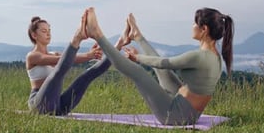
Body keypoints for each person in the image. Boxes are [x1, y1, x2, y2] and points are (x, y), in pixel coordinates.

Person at [84, 7, 234, 125]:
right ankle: (137, 36)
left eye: (195, 23)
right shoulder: (215, 56)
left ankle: (97, 34)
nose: (192, 26)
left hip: (174, 116)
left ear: (204, 29)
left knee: (138, 72)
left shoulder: (199, 56)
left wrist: (137, 58)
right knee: (164, 72)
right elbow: (163, 66)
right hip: (188, 113)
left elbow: (165, 63)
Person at [26, 11, 129, 115]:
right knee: (58, 72)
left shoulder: (54, 53)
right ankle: (77, 36)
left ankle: (119, 43)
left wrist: (90, 55)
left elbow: (71, 58)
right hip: (38, 105)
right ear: (34, 35)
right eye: (44, 31)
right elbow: (61, 62)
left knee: (87, 76)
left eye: (49, 30)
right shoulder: (32, 56)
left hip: (58, 106)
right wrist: (88, 55)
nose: (48, 34)